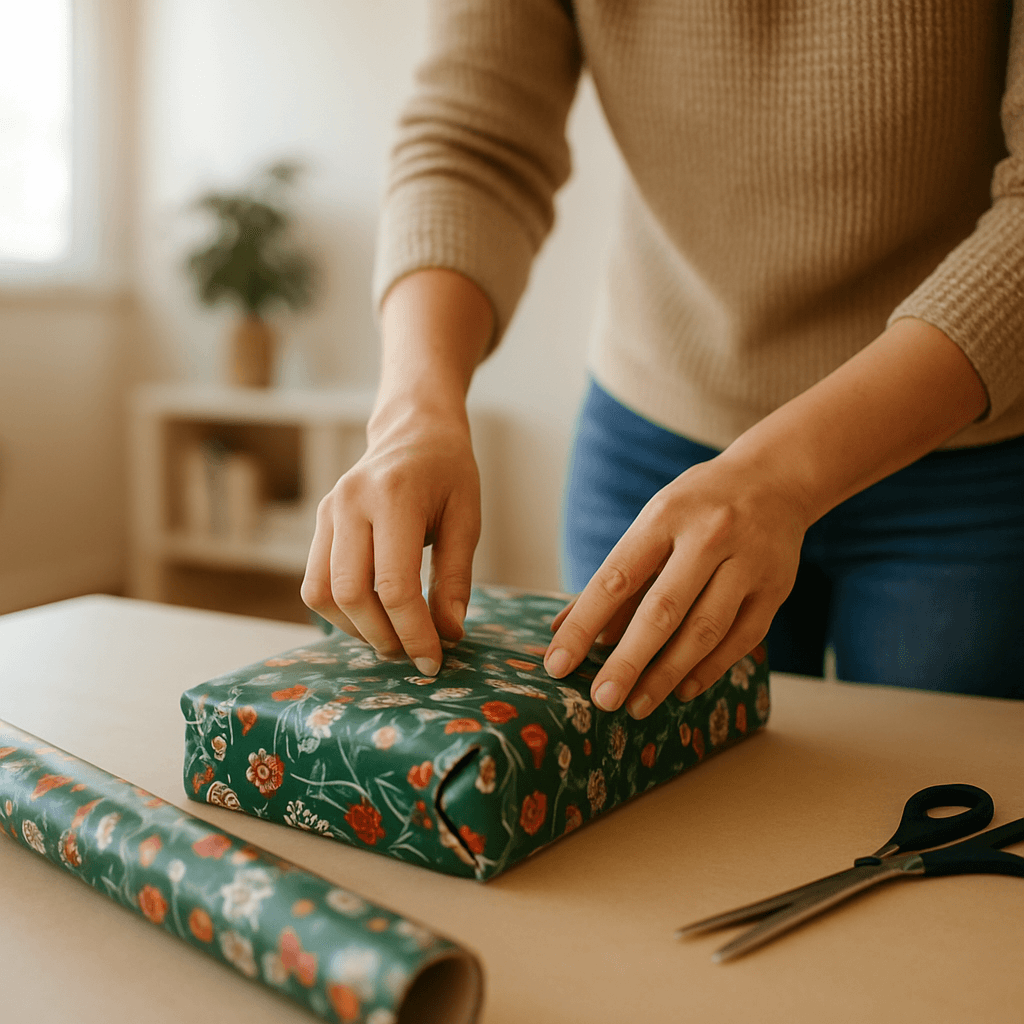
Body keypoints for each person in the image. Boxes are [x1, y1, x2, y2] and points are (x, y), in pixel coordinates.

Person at [302, 1, 1024, 712]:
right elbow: (471, 141)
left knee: (933, 791)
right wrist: (412, 412)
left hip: (963, 447)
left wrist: (780, 474)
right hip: (657, 433)